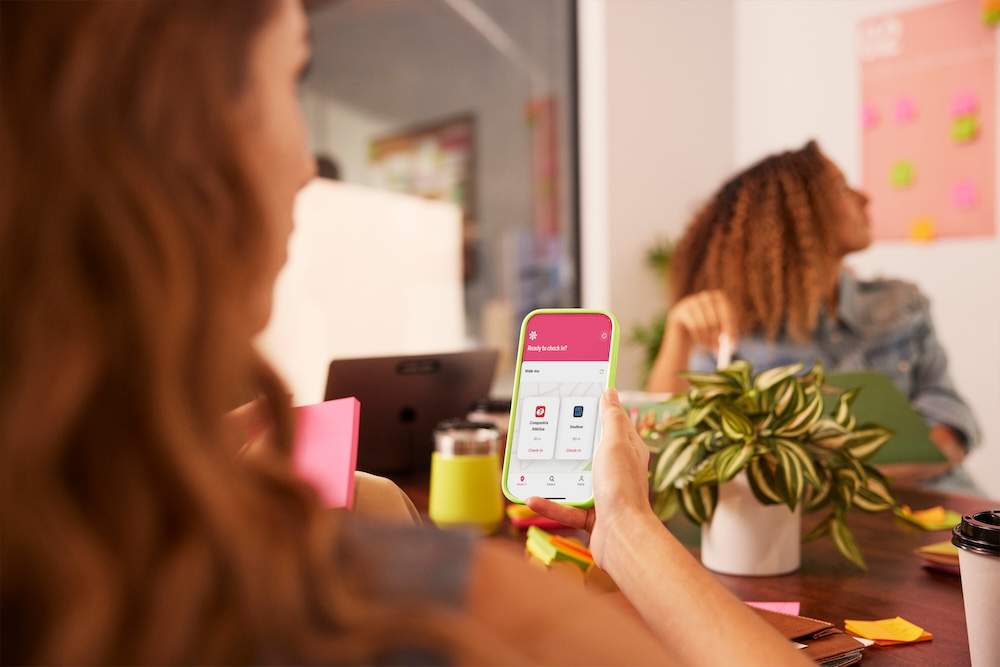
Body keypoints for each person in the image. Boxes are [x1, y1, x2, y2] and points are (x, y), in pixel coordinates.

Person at [0, 2, 810, 665]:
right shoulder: (381, 595)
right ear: (187, 137)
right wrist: (627, 524)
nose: (305, 171)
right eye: (293, 75)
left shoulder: (69, 536)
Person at [646, 141, 980, 487]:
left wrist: (844, 481)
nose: (865, 198)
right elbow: (669, 438)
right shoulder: (732, 328)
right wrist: (679, 334)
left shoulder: (901, 303)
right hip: (800, 524)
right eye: (839, 186)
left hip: (938, 507)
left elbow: (950, 422)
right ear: (794, 214)